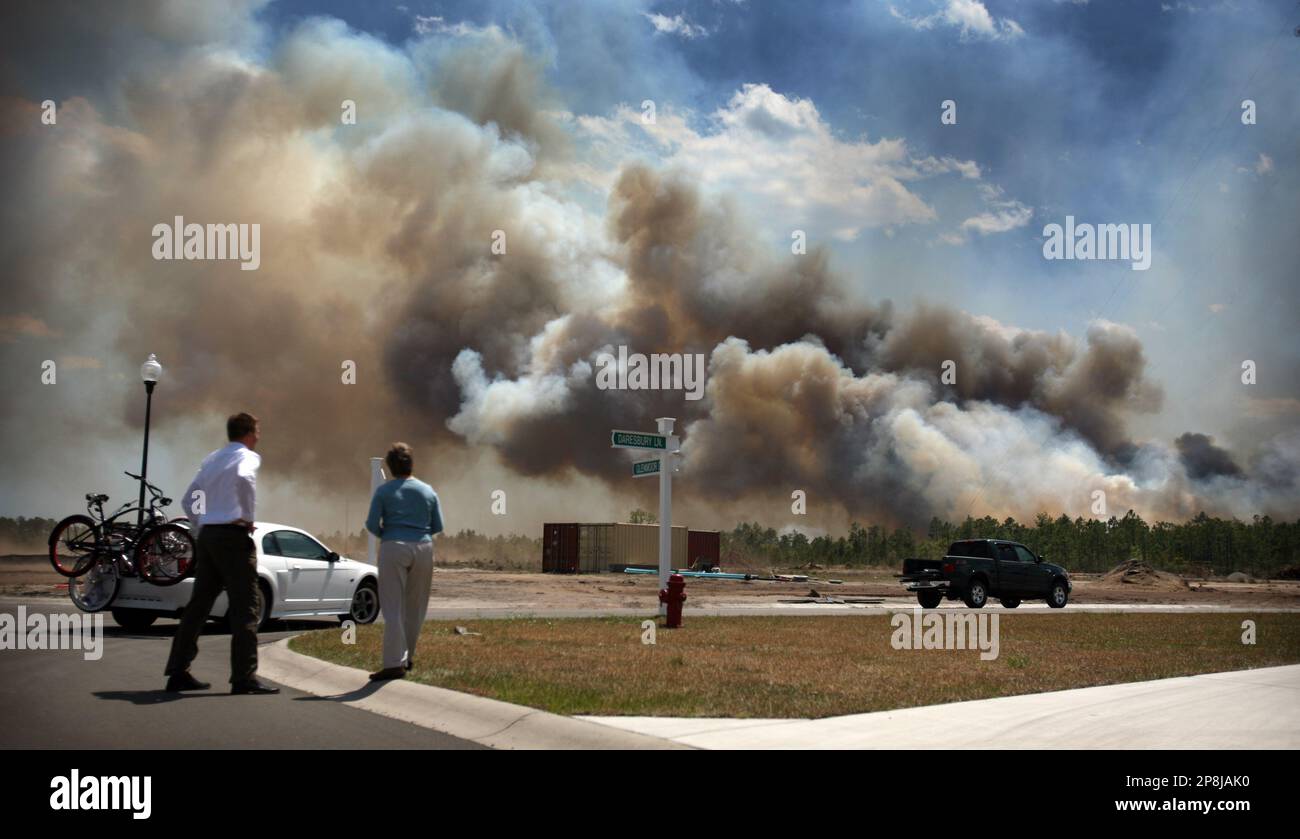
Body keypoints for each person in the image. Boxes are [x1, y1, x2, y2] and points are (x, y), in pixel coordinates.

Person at [163, 412, 279, 695]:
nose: (259, 438)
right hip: (233, 536)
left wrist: (201, 522)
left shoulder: (212, 458)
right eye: (258, 432)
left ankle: (178, 671)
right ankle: (244, 677)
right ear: (250, 433)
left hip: (208, 537)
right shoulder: (248, 457)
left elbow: (189, 498)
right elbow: (244, 478)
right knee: (246, 607)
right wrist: (247, 517)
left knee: (198, 606)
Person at [365, 442, 444, 681]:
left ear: (390, 467)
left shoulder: (384, 492)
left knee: (393, 608)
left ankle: (393, 663)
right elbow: (438, 526)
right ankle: (408, 657)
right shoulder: (428, 491)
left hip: (394, 547)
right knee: (416, 608)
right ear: (411, 464)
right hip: (423, 547)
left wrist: (388, 536)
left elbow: (371, 524)